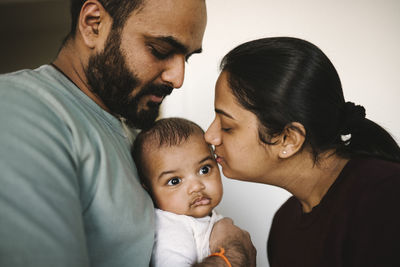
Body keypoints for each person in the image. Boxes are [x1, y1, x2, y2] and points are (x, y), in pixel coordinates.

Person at [0, 0, 255, 266]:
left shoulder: (138, 137)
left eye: (186, 58)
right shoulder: (16, 109)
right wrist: (231, 256)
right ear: (93, 24)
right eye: (160, 50)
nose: (178, 78)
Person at [205, 37, 400, 267]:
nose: (210, 136)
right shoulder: (284, 224)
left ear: (289, 139)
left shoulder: (387, 199)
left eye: (227, 126)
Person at [132, 117, 225, 266]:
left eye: (204, 169)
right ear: (148, 190)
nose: (196, 186)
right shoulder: (171, 229)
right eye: (174, 181)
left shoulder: (200, 218)